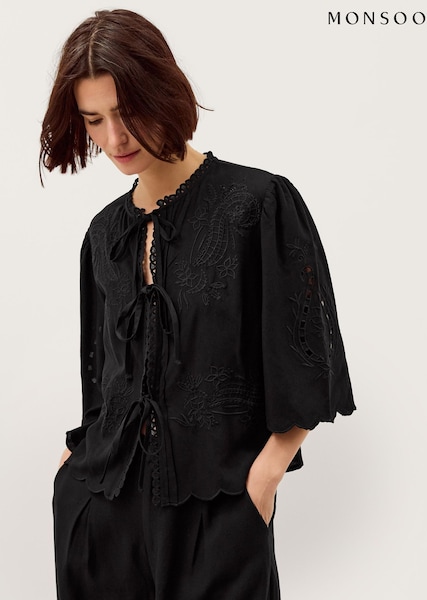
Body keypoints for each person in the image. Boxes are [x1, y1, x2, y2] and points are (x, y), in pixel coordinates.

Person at [40, 9, 355, 600]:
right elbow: (103, 380)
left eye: (126, 112)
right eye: (94, 120)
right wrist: (70, 471)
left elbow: (311, 361)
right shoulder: (104, 234)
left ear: (162, 91)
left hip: (220, 509)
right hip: (101, 511)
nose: (114, 139)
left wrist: (263, 480)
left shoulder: (258, 204)